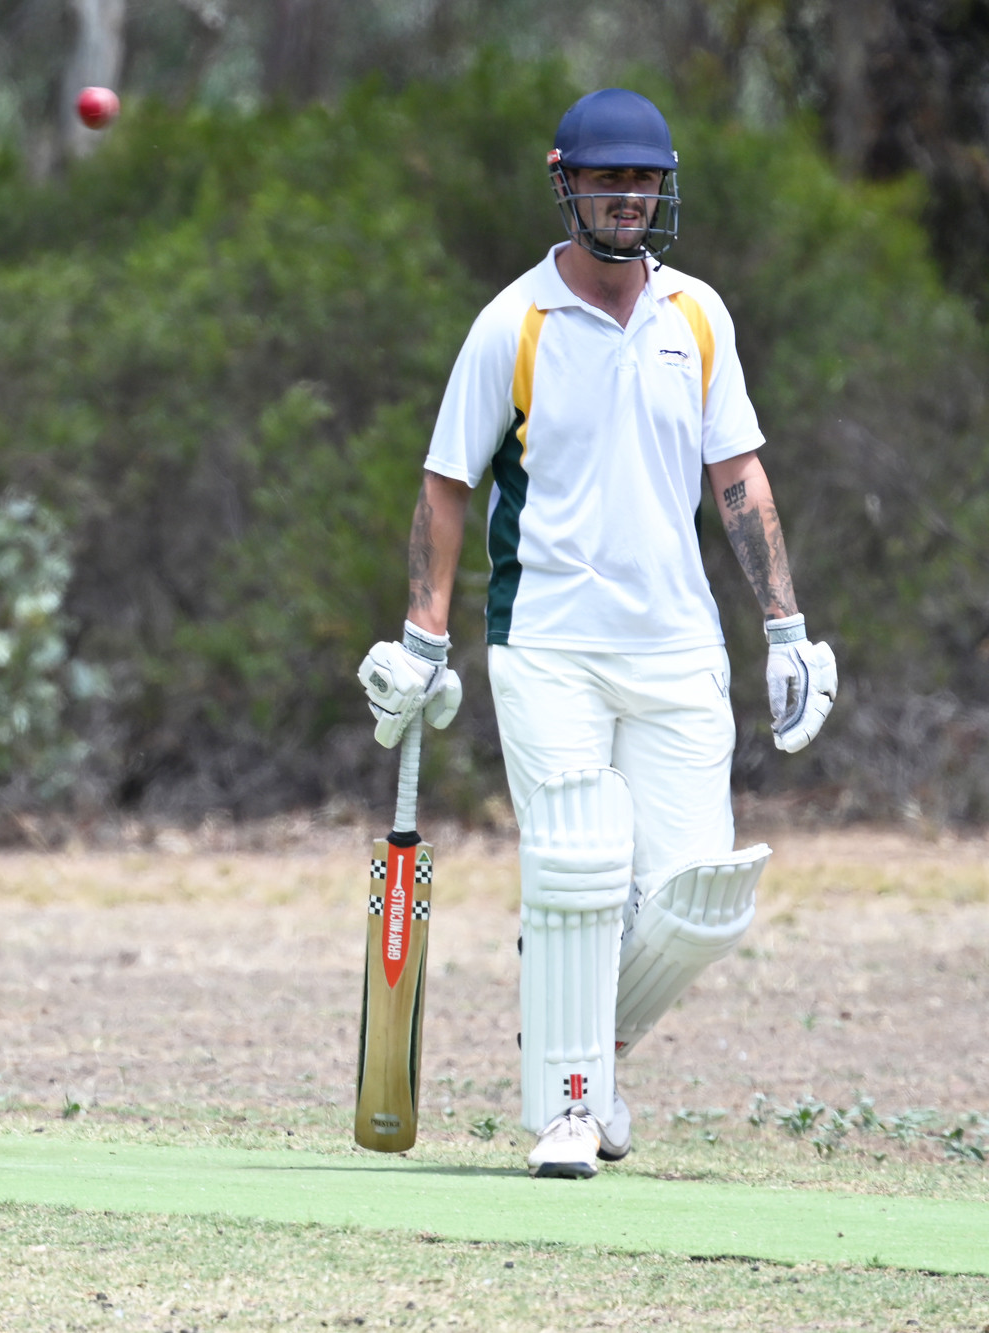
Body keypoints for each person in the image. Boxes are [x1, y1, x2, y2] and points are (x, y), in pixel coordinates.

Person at [355, 90, 837, 1179]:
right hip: (548, 644)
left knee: (697, 897)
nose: (627, 198)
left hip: (678, 645)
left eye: (644, 180)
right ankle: (566, 1110)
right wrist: (422, 638)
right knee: (577, 871)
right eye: (607, 178)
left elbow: (738, 476)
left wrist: (787, 629)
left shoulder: (697, 317)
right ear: (564, 181)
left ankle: (585, 1047)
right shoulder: (511, 324)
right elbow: (444, 484)